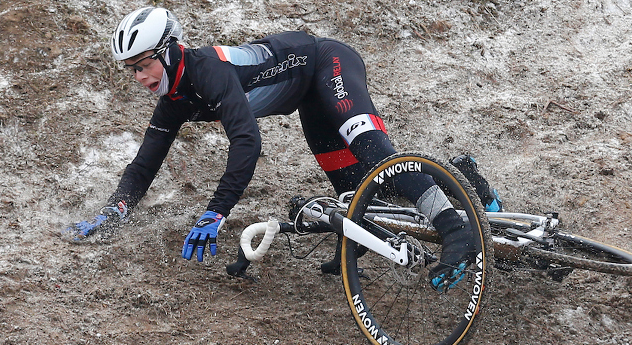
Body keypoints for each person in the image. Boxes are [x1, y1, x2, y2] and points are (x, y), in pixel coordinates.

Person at [62, 7, 502, 291]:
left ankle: (455, 230)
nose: (140, 77)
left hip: (327, 63)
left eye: (144, 65)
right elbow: (143, 166)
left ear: (169, 51)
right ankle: (463, 177)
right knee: (362, 190)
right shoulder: (174, 99)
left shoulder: (208, 71)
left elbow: (248, 142)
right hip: (308, 97)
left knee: (373, 153)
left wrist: (216, 211)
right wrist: (111, 213)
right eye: (132, 70)